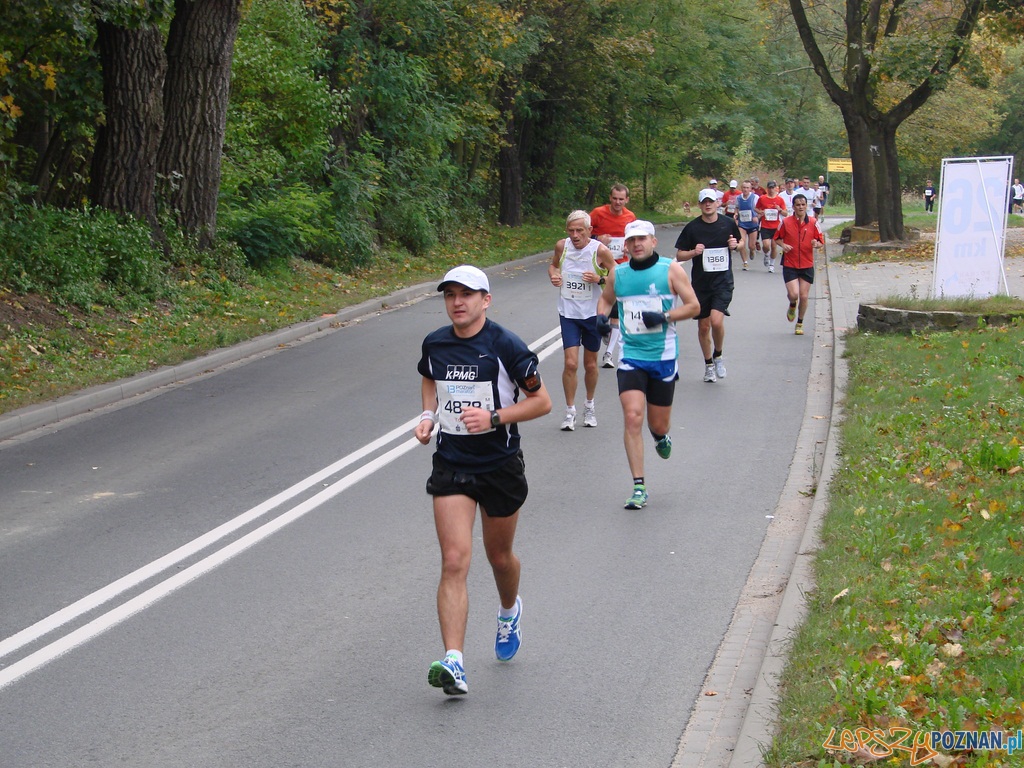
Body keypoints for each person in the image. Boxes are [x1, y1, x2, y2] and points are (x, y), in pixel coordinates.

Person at [415, 265, 552, 695]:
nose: (458, 302)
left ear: (485, 300)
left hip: (499, 465)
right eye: (450, 294)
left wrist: (495, 417)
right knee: (455, 560)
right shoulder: (435, 343)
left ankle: (509, 611)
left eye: (467, 294)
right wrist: (427, 415)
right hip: (452, 463)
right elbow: (428, 378)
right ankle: (454, 662)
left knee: (499, 557)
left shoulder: (506, 345)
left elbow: (542, 402)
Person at [595, 220, 700, 509]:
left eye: (642, 239)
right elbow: (605, 301)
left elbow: (694, 306)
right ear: (625, 246)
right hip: (631, 357)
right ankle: (639, 486)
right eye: (631, 240)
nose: (636, 244)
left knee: (657, 423)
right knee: (632, 416)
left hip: (663, 357)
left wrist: (666, 317)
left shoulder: (670, 270)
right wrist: (601, 319)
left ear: (653, 241)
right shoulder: (619, 274)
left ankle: (660, 436)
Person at [548, 210, 615, 430]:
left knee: (590, 364)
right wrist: (554, 274)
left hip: (592, 314)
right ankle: (570, 412)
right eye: (571, 230)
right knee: (570, 363)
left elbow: (616, 273)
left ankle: (589, 405)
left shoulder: (600, 251)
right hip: (568, 313)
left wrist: (600, 278)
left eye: (580, 230)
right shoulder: (562, 246)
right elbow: (554, 264)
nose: (575, 235)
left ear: (590, 231)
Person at [674, 188, 741, 383]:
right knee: (703, 327)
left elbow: (741, 242)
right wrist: (694, 252)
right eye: (704, 202)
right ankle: (709, 364)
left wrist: (735, 245)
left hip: (723, 281)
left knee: (716, 321)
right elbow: (680, 255)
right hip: (701, 283)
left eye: (711, 201)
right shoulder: (692, 228)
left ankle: (718, 355)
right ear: (699, 205)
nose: (708, 204)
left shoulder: (727, 223)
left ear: (718, 203)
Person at [590, 184, 637, 368]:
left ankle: (608, 355)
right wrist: (597, 239)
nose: (618, 202)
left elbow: (635, 238)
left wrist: (628, 246)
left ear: (627, 200)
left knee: (617, 311)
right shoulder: (598, 213)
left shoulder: (630, 217)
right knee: (600, 307)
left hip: (620, 266)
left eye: (621, 199)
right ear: (610, 198)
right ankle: (603, 330)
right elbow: (583, 235)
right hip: (598, 265)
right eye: (615, 198)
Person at [773, 194, 824, 336]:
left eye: (803, 204)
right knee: (793, 294)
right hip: (790, 263)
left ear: (806, 206)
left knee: (804, 296)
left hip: (807, 264)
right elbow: (776, 238)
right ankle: (792, 304)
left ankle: (800, 322)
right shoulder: (786, 222)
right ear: (793, 207)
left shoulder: (813, 222)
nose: (800, 207)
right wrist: (784, 245)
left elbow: (821, 242)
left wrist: (816, 244)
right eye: (798, 205)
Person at [755, 180, 787, 272]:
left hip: (776, 226)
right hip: (765, 226)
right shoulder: (762, 198)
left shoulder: (779, 199)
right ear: (767, 188)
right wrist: (760, 212)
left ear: (775, 188)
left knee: (774, 246)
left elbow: (785, 213)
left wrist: (780, 209)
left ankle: (772, 264)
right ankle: (766, 255)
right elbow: (756, 208)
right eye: (770, 188)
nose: (771, 189)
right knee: (766, 245)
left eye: (773, 187)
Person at [734, 180, 760, 270]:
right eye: (744, 187)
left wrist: (756, 216)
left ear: (750, 189)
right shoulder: (738, 198)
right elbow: (737, 208)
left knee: (751, 246)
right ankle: (745, 262)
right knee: (742, 242)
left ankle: (753, 251)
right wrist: (736, 215)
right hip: (742, 224)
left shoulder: (755, 197)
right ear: (741, 188)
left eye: (747, 188)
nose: (745, 189)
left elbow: (759, 210)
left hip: (752, 224)